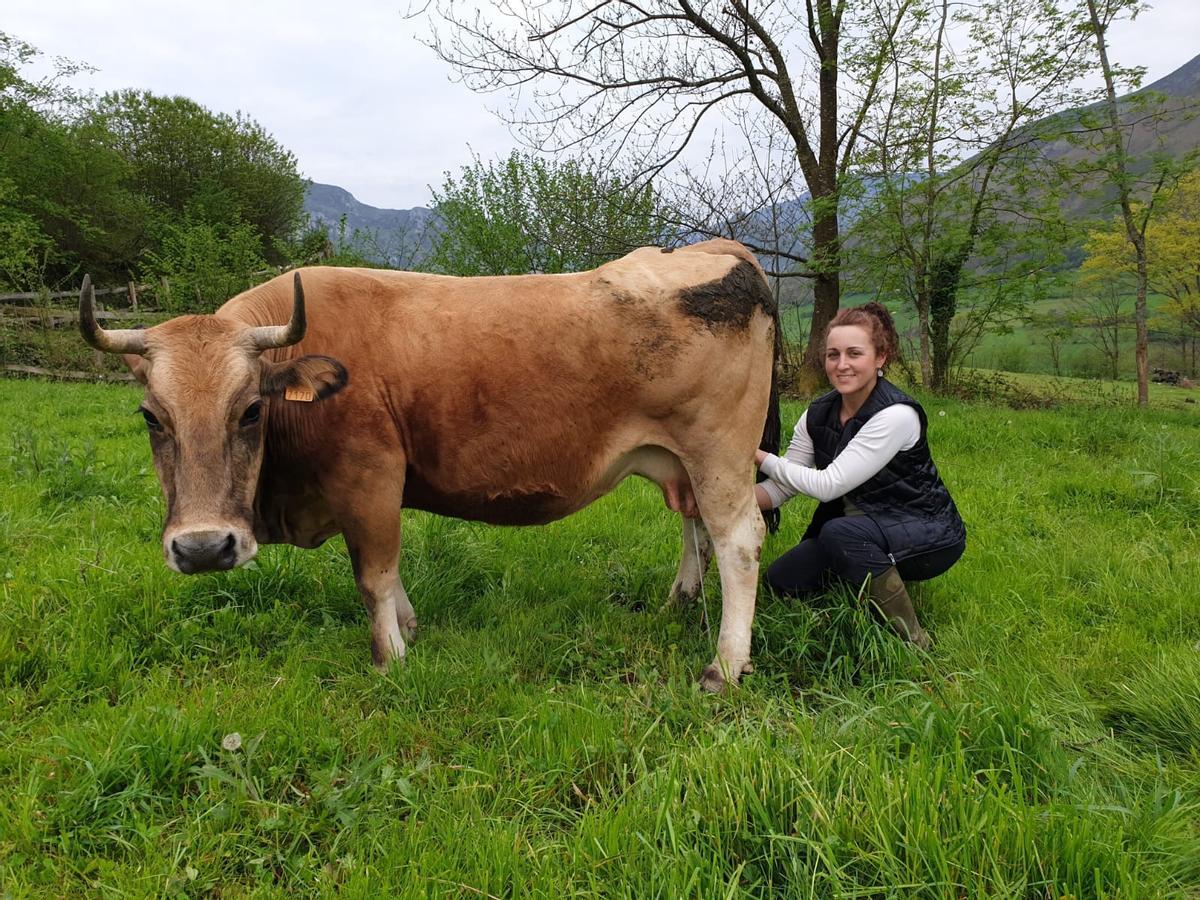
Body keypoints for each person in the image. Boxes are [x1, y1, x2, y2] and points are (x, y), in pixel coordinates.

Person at [753, 302, 966, 648]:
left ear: (880, 357)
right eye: (833, 355)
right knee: (782, 579)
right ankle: (863, 580)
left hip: (927, 534)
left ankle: (913, 640)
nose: (842, 365)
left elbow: (828, 485)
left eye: (855, 353)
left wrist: (756, 454)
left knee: (840, 533)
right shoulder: (817, 413)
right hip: (860, 529)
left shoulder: (895, 415)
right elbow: (781, 486)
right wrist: (723, 499)